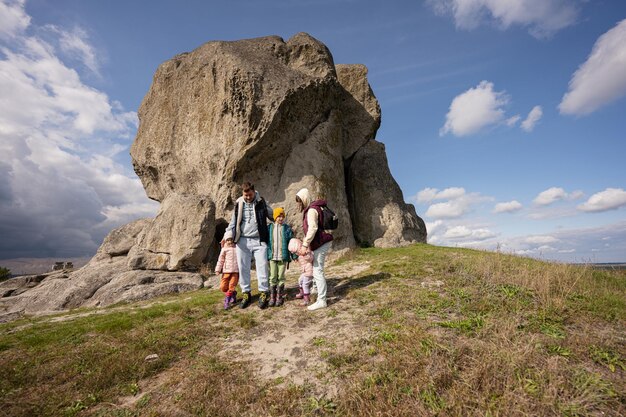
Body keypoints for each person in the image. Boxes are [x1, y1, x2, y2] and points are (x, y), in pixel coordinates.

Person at [225, 182, 274, 309]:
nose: (247, 197)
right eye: (245, 195)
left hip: (259, 240)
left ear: (254, 191)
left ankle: (264, 292)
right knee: (243, 268)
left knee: (262, 267)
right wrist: (228, 235)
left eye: (250, 195)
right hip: (243, 241)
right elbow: (233, 222)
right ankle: (246, 293)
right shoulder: (239, 203)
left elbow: (271, 215)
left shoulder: (260, 201)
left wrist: (279, 218)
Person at [295, 188, 333, 311]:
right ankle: (316, 289)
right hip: (320, 242)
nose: (298, 204)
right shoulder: (312, 208)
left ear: (304, 199)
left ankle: (322, 300)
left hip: (321, 242)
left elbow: (313, 228)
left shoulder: (311, 210)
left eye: (299, 201)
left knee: (317, 271)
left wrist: (305, 245)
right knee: (317, 267)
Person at [267, 207, 294, 307]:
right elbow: (264, 240)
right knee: (273, 276)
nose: (280, 218)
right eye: (278, 216)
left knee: (281, 276)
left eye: (282, 216)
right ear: (274, 217)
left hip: (283, 257)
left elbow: (291, 242)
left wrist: (294, 256)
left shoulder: (287, 228)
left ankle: (279, 296)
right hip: (272, 257)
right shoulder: (270, 228)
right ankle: (272, 296)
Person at [215, 231, 238, 309]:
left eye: (231, 239)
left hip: (235, 271)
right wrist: (218, 269)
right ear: (225, 240)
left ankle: (227, 302)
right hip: (226, 271)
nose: (229, 241)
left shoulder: (237, 248)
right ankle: (233, 294)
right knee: (223, 287)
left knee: (231, 286)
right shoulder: (224, 249)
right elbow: (220, 260)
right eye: (228, 240)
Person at [288, 237, 314, 306]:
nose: (296, 253)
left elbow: (310, 259)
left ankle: (307, 300)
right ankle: (302, 293)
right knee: (300, 280)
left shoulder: (306, 251)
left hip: (309, 271)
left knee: (305, 284)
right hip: (305, 271)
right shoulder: (299, 253)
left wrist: (304, 254)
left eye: (296, 251)